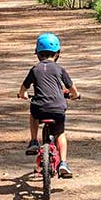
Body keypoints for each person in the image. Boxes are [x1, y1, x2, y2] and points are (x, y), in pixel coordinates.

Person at [18, 32, 80, 178]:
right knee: (60, 134)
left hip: (39, 107)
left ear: (38, 54)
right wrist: (75, 95)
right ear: (57, 54)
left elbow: (23, 88)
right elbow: (72, 88)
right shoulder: (60, 69)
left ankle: (34, 140)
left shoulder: (34, 70)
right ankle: (63, 163)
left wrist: (23, 95)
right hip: (58, 108)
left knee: (33, 113)